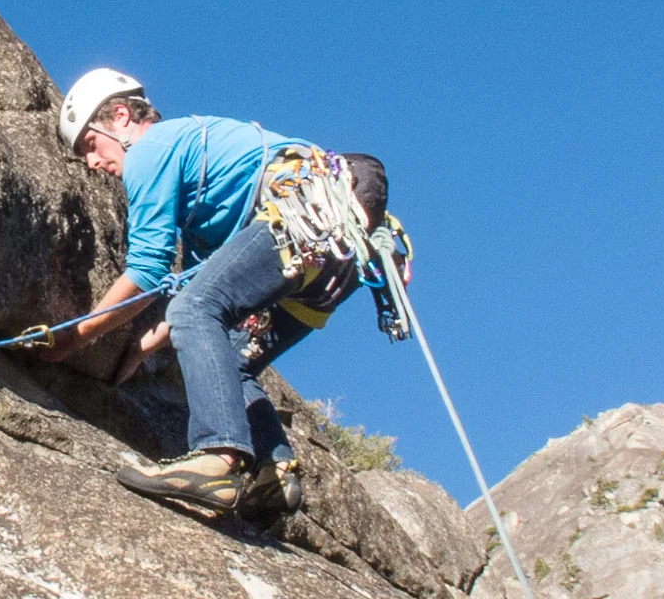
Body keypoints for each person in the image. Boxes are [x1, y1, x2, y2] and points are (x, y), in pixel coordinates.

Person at [36, 67, 396, 518]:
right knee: (231, 358)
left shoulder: (152, 149)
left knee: (195, 310)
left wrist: (77, 335)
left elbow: (150, 270)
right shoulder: (203, 191)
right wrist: (145, 346)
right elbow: (197, 279)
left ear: (121, 117)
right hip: (333, 262)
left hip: (303, 213)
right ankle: (273, 471)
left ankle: (217, 457)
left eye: (90, 145)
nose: (92, 163)